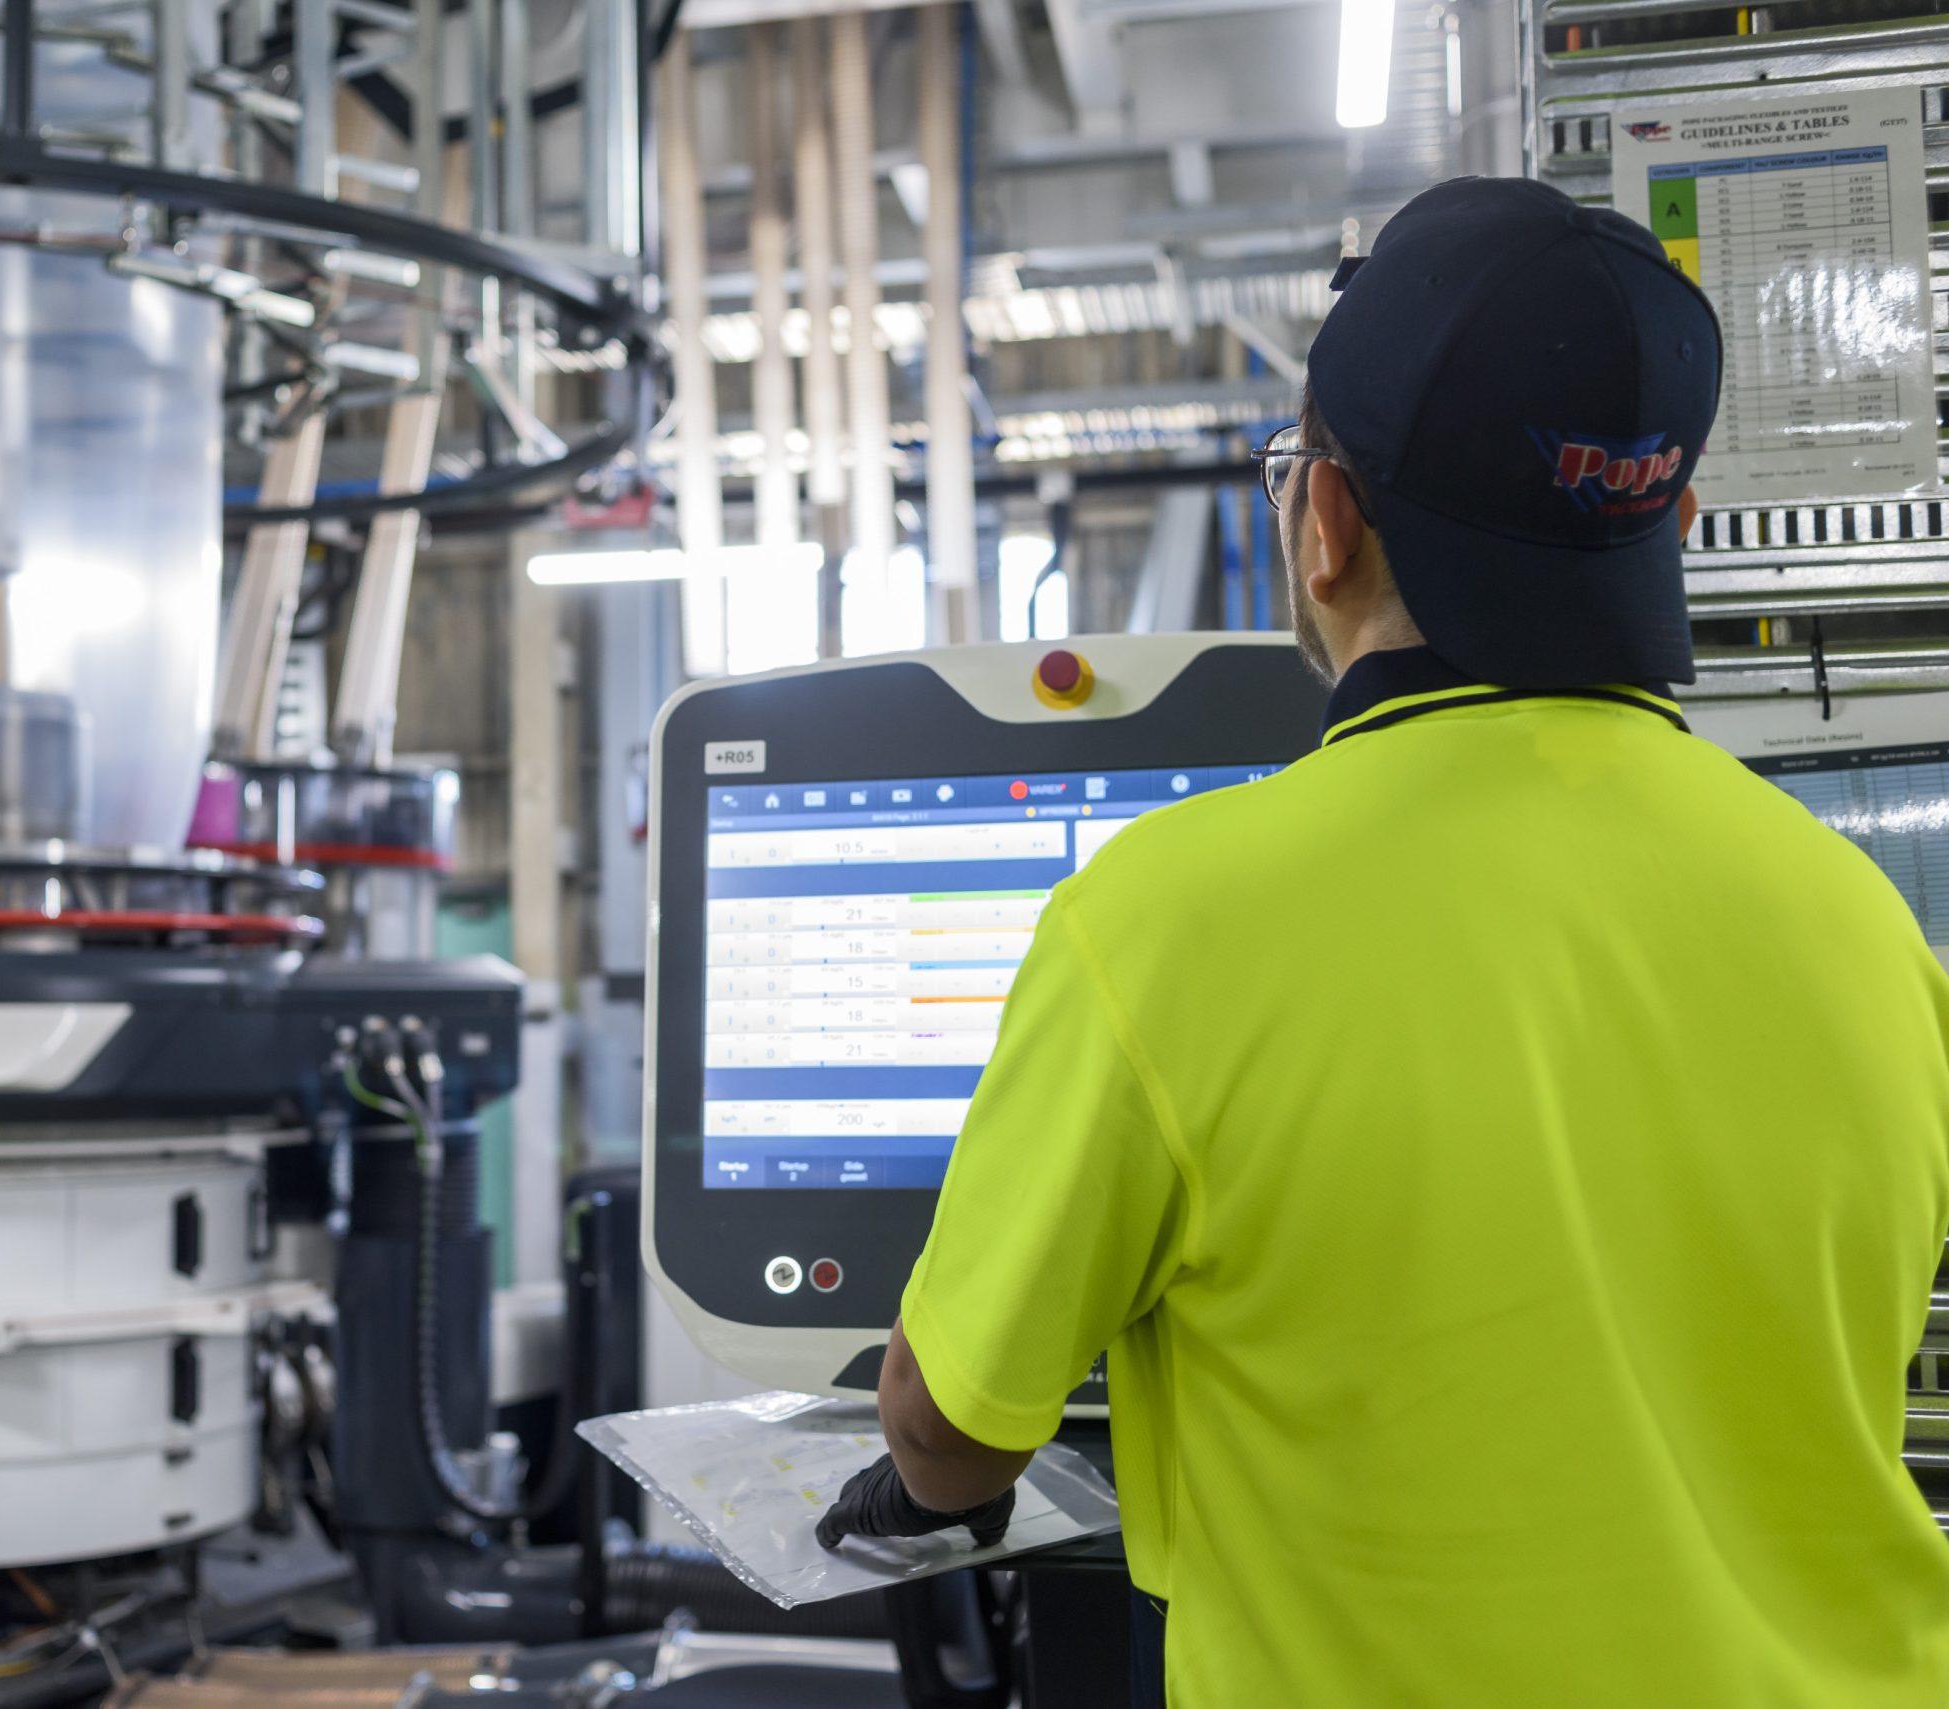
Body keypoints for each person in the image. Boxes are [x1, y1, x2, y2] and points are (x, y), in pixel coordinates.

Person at [815, 175, 1949, 1704]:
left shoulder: (1167, 919)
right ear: (1670, 529)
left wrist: (915, 1477)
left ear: (1328, 526)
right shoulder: (1867, 924)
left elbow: (949, 1428)